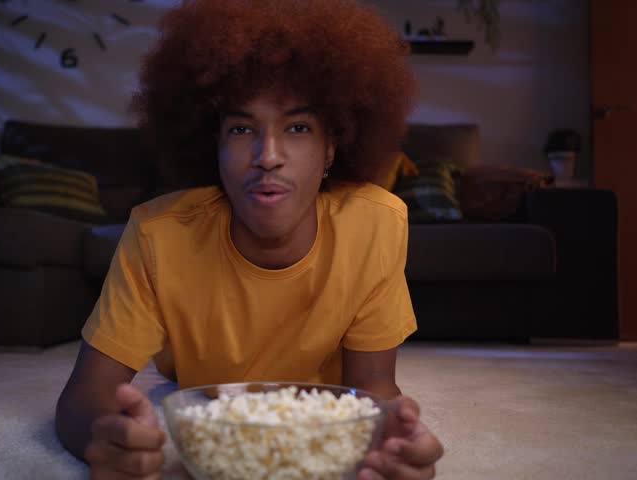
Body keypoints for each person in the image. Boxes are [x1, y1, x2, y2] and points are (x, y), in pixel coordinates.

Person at [55, 0, 444, 478]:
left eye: (298, 128)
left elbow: (375, 387)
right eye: (241, 129)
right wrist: (107, 438)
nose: (268, 156)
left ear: (330, 150)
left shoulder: (376, 225)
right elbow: (82, 398)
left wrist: (395, 442)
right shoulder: (158, 235)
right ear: (212, 147)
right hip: (200, 388)